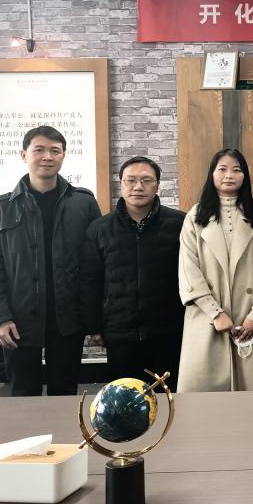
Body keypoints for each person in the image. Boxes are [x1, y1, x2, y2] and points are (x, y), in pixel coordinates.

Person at [0, 125, 101, 396]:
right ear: (23, 155)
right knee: (22, 395)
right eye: (39, 150)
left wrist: (95, 320)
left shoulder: (84, 204)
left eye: (55, 151)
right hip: (18, 320)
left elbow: (95, 266)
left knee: (65, 393)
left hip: (68, 318)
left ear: (63, 155)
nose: (47, 156)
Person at [80, 156, 186, 388]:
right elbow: (90, 281)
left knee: (168, 396)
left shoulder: (180, 224)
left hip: (169, 330)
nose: (138, 187)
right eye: (131, 180)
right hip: (119, 332)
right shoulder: (100, 229)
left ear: (157, 185)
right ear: (121, 184)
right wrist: (94, 326)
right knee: (123, 397)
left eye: (146, 180)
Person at [177, 149, 253, 391]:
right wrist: (216, 314)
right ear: (212, 174)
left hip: (249, 318)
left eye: (236, 170)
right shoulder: (195, 217)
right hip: (206, 318)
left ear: (245, 176)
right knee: (202, 398)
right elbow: (189, 269)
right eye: (222, 169)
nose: (229, 175)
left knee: (252, 396)